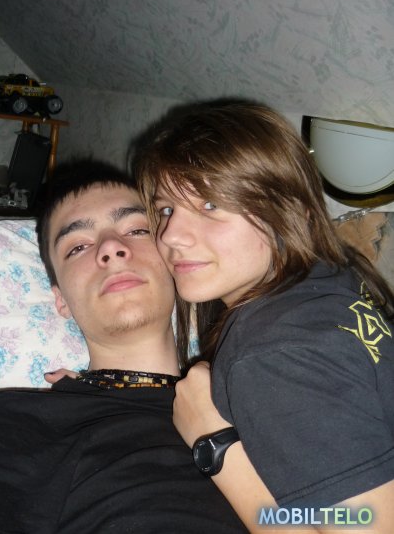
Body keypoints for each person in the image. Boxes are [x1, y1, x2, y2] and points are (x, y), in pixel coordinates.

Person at [135, 101, 394, 533]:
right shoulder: (331, 275)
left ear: (290, 211)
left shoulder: (273, 355)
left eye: (210, 204)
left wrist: (214, 444)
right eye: (166, 210)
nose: (172, 236)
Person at [0, 159, 247, 534]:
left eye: (137, 230)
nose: (111, 247)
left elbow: (335, 518)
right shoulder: (18, 422)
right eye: (78, 247)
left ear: (175, 262)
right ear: (61, 299)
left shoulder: (257, 383)